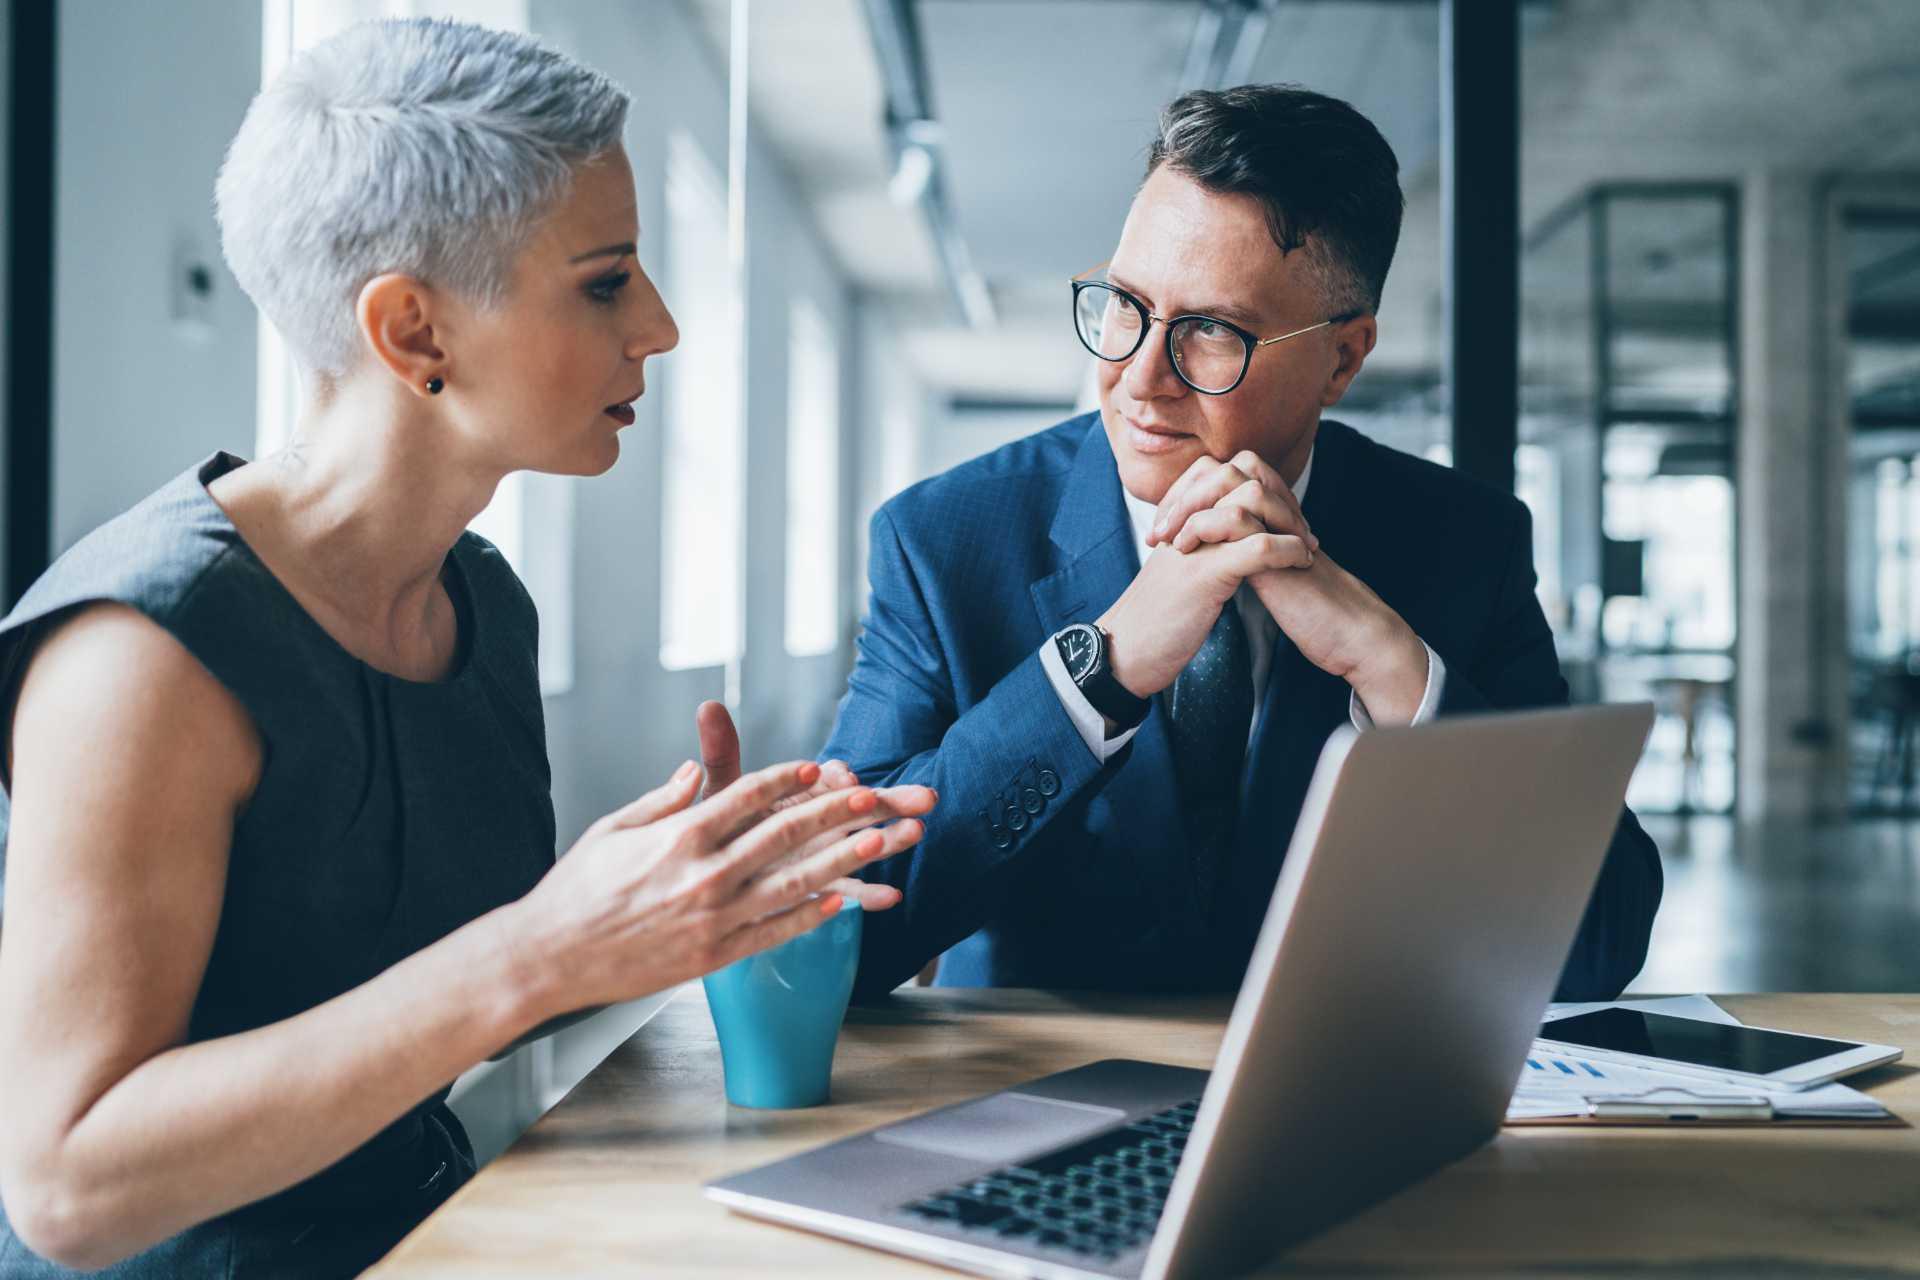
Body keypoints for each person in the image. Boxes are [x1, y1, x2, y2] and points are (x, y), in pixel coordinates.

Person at [0, 19, 932, 1277]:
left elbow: (440, 1010)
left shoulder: (482, 603)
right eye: (606, 281)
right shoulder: (141, 658)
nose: (656, 326)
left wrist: (686, 897)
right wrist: (547, 944)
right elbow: (66, 1186)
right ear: (416, 334)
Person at [821, 85, 1661, 1002]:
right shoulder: (942, 540)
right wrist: (1095, 675)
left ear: (1343, 359)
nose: (1138, 379)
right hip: (1027, 1098)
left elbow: (1599, 943)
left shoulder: (1464, 543)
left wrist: (1391, 668)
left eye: (1211, 332)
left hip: (1336, 1103)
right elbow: (842, 931)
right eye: (1124, 303)